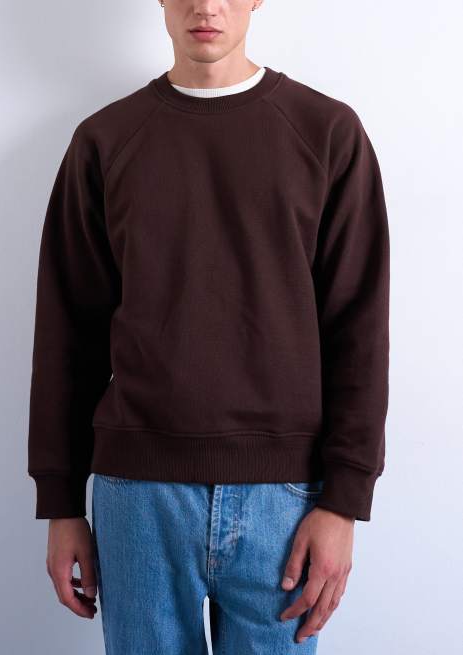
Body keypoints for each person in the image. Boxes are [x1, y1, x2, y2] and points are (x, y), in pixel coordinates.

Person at [27, 1, 390, 652]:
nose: (206, 5)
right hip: (137, 495)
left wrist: (344, 501)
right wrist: (61, 503)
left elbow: (358, 329)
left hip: (286, 498)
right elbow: (67, 334)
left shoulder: (327, 131)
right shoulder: (105, 139)